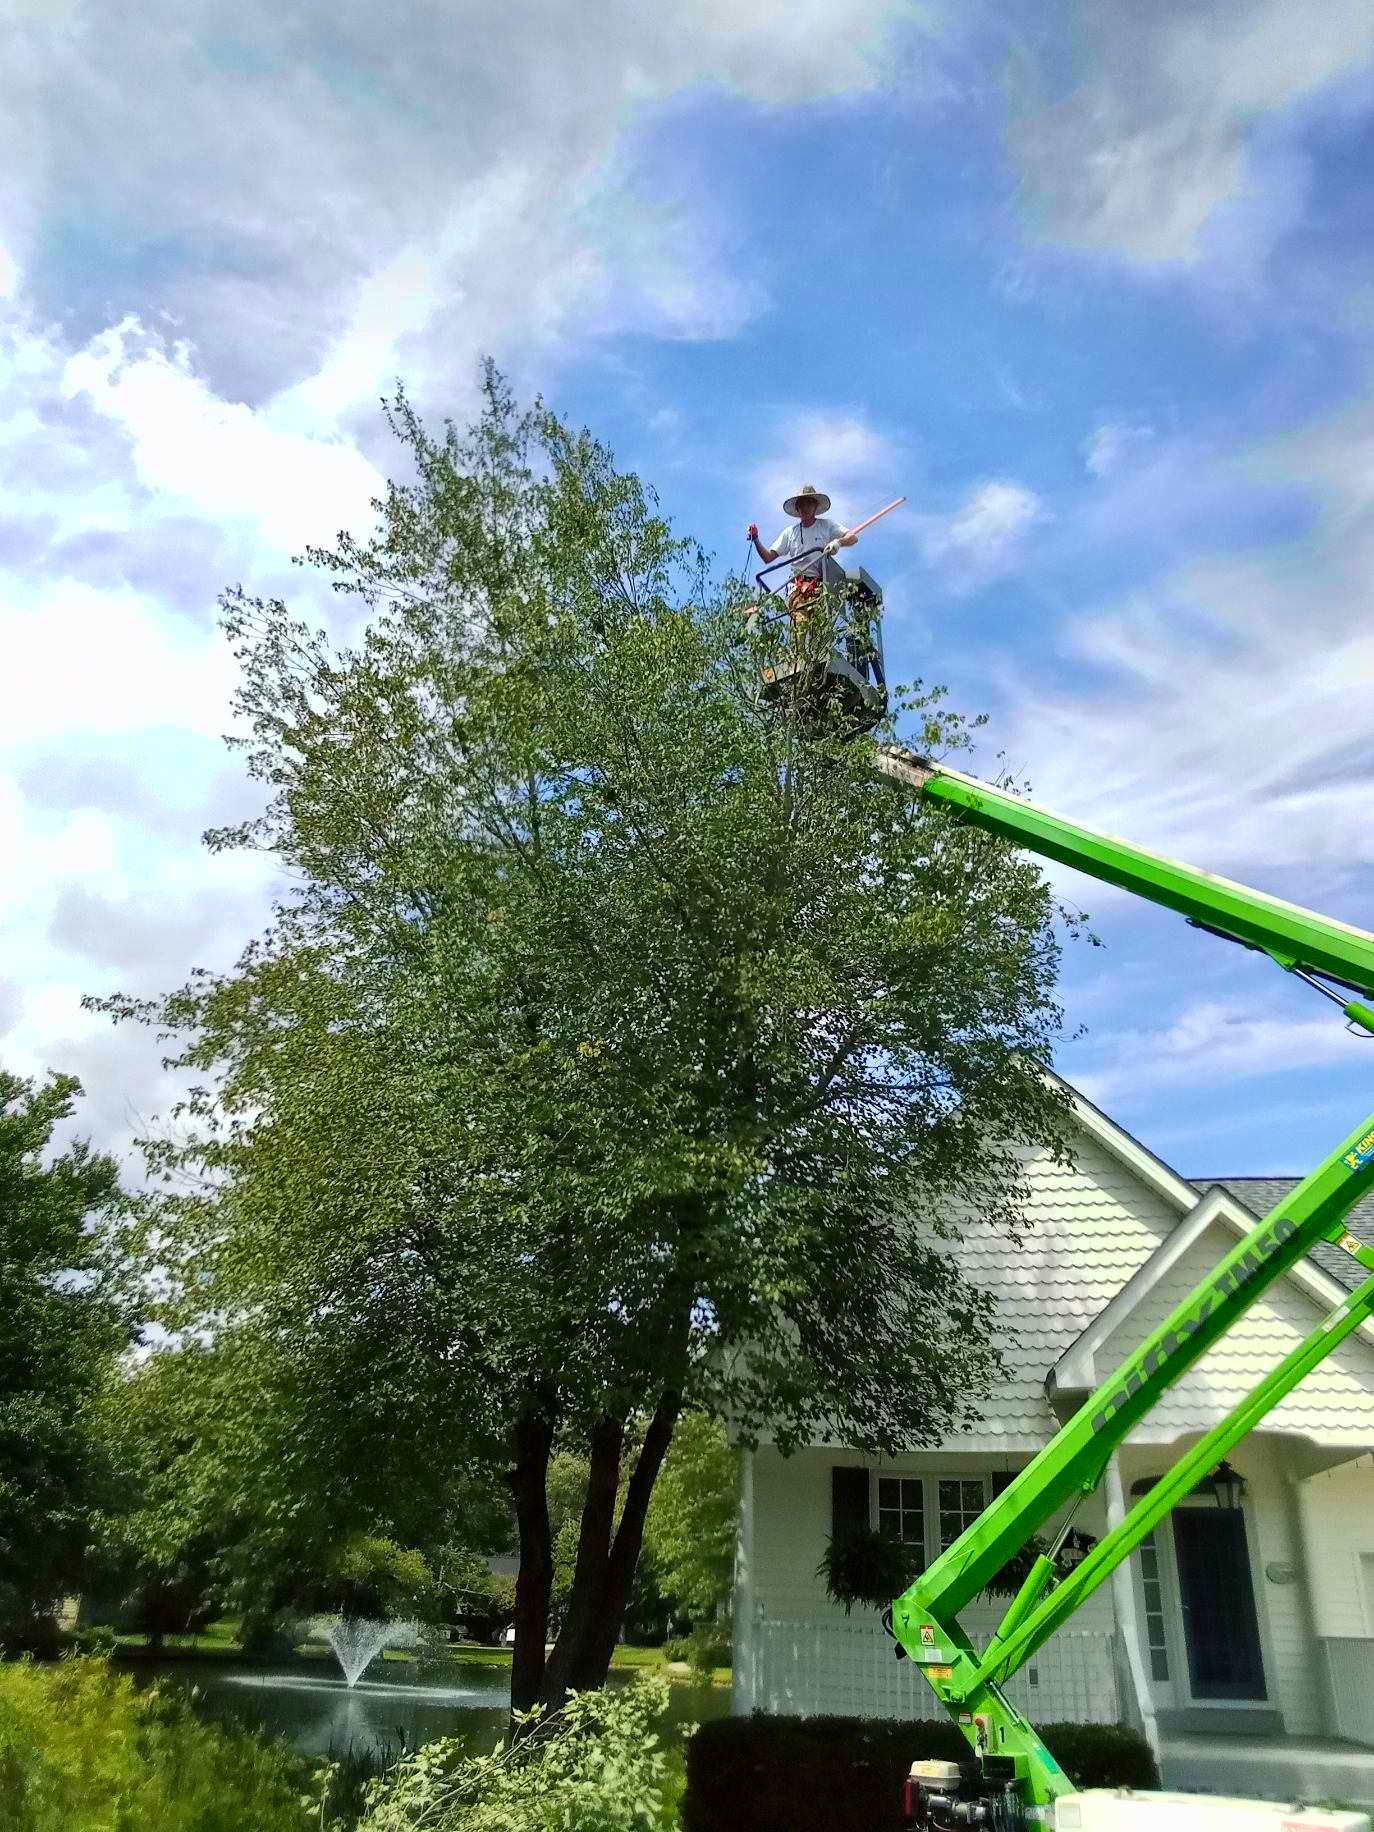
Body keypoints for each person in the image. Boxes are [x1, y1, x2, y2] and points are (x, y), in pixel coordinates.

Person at [748, 485, 857, 606]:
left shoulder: (826, 525)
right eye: (802, 504)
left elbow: (853, 537)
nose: (805, 507)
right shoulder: (790, 532)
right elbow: (768, 557)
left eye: (809, 503)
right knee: (800, 615)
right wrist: (755, 538)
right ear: (797, 508)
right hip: (797, 590)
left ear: (815, 506)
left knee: (820, 616)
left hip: (820, 588)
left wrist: (838, 542)